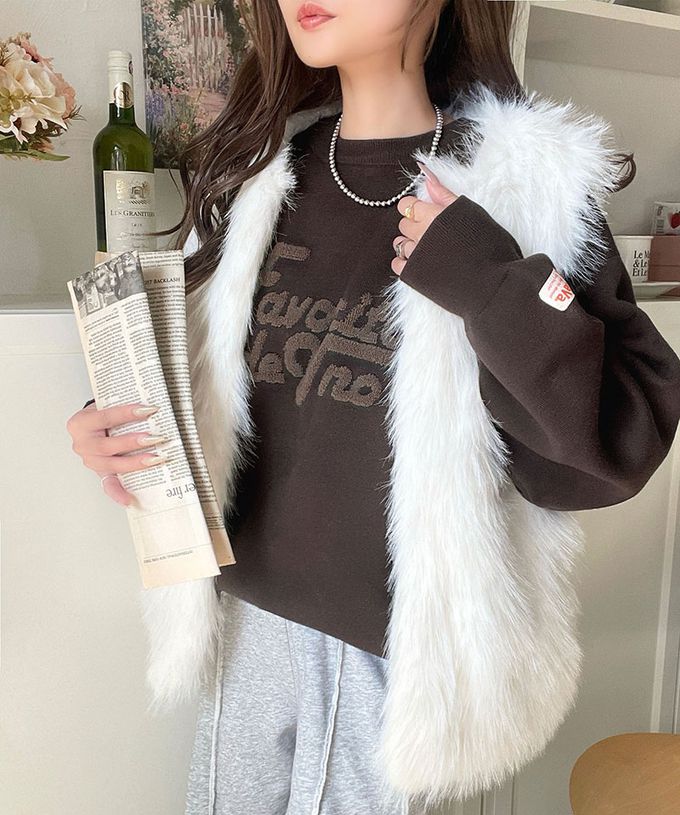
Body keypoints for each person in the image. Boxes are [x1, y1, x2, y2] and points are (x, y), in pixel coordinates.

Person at [66, 1, 680, 813]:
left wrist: (488, 280)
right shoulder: (262, 176)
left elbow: (615, 445)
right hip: (243, 616)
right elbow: (203, 361)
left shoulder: (525, 182)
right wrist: (118, 422)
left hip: (388, 648)